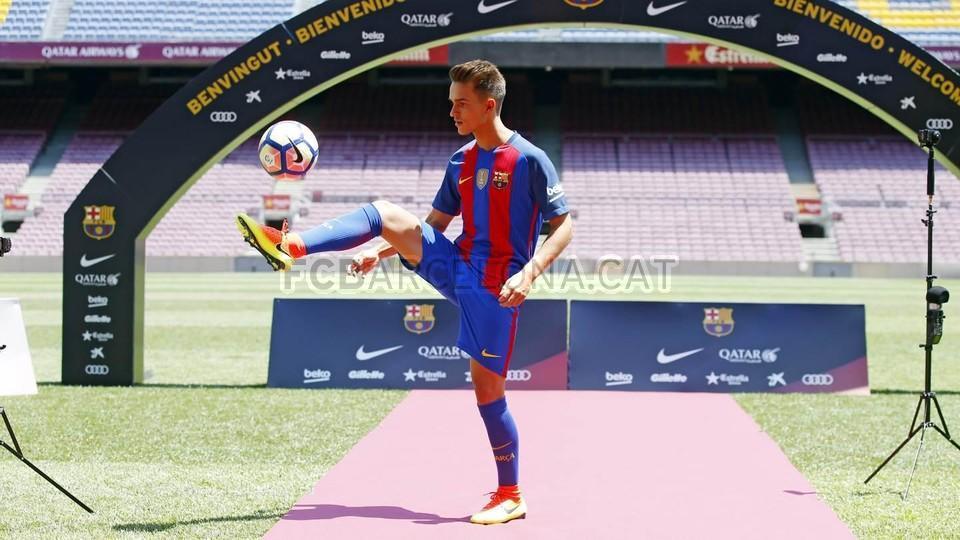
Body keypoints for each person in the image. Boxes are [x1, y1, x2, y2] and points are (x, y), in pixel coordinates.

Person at [236, 59, 572, 525]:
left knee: (487, 392)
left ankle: (511, 494)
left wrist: (530, 273)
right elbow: (434, 224)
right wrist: (381, 251)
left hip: (497, 290)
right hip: (455, 267)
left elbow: (563, 226)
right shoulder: (460, 160)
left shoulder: (530, 159)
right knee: (384, 213)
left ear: (489, 105)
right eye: (451, 103)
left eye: (461, 104)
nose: (452, 111)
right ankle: (290, 245)